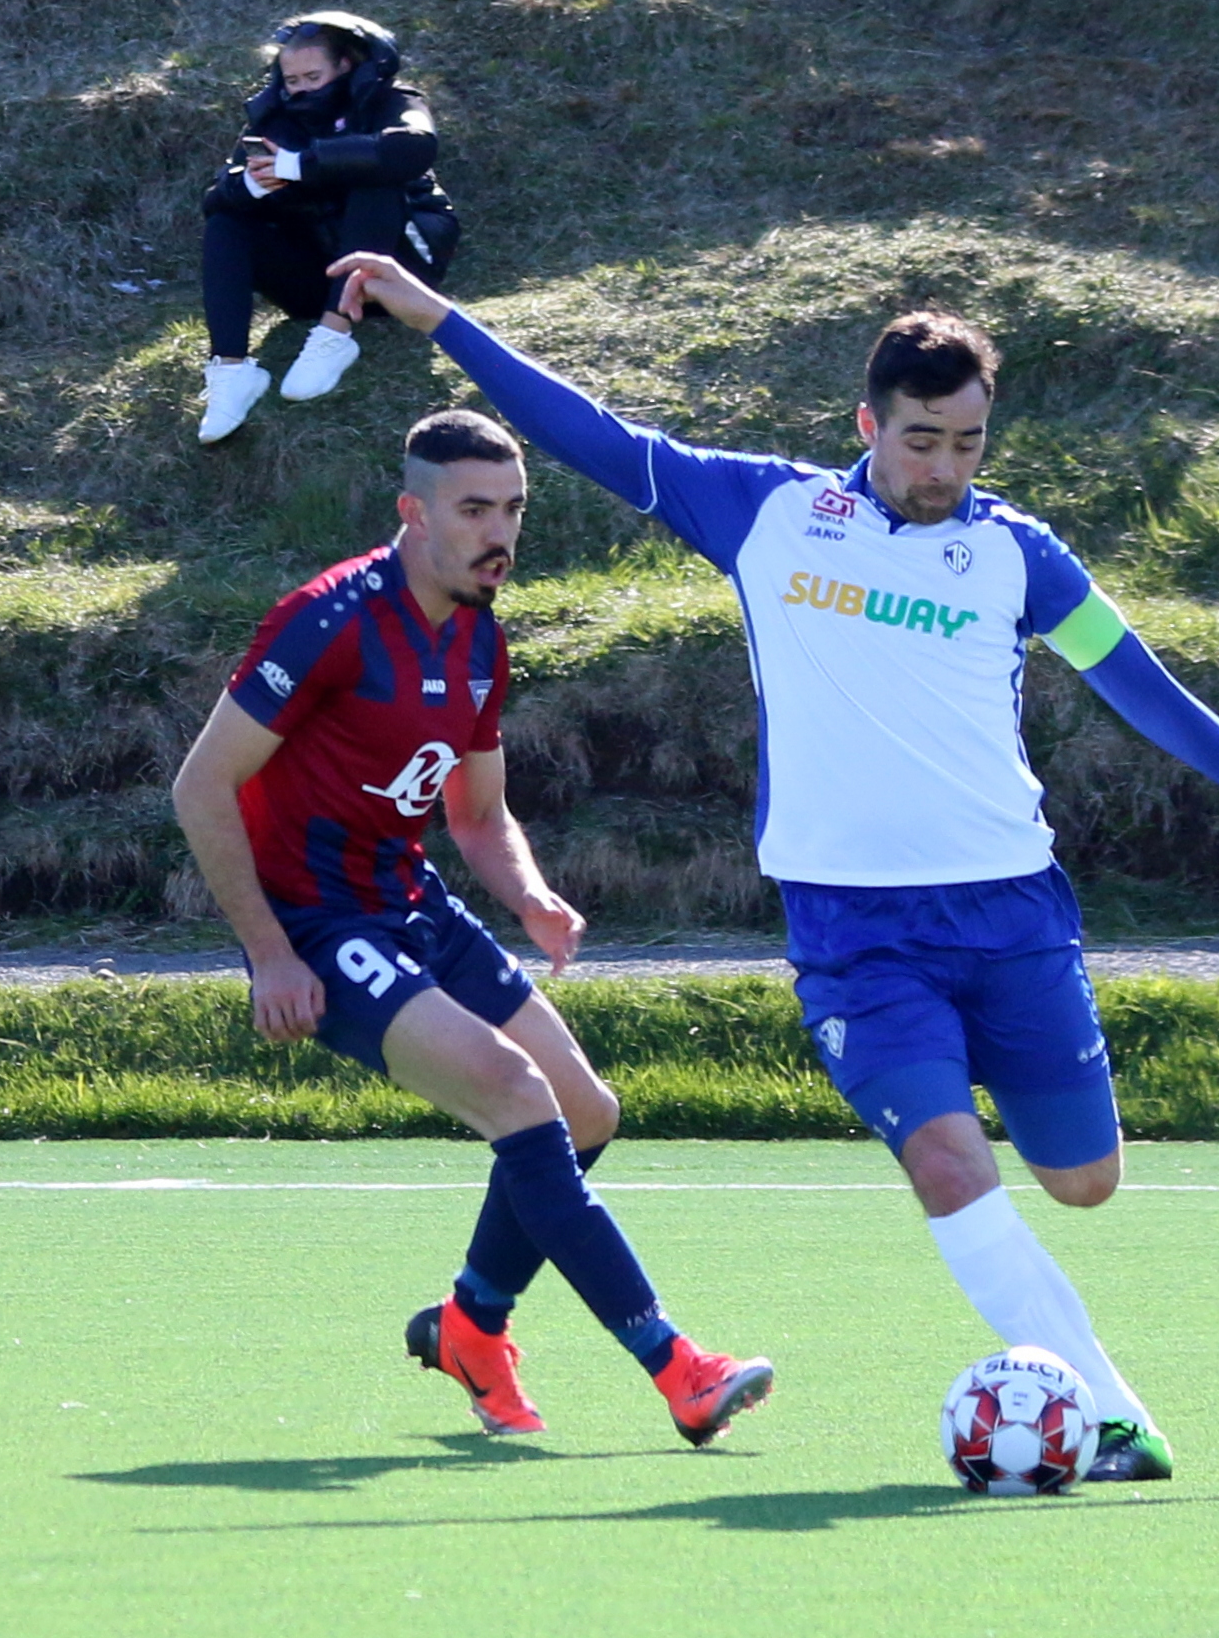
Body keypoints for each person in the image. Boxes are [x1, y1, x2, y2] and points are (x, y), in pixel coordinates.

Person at [332, 252, 1219, 1481]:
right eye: (921, 440)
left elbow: (1135, 680)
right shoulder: (770, 515)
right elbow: (592, 435)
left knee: (1084, 1180)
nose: (944, 468)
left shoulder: (1021, 554)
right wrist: (439, 318)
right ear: (868, 425)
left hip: (1013, 913)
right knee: (949, 1162)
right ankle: (1113, 1418)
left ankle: (482, 1311)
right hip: (856, 932)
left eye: (968, 444)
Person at [171, 409, 772, 1446]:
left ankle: (471, 1324)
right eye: (475, 510)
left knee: (586, 1112)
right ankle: (677, 1367)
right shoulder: (327, 620)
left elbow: (479, 816)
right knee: (516, 1091)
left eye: (514, 510)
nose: (500, 534)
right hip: (319, 923)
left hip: (411, 903)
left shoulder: (480, 633)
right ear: (413, 512)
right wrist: (270, 953)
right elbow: (200, 785)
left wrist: (529, 896)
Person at [196, 12, 459, 446]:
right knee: (227, 222)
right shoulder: (275, 119)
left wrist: (303, 164)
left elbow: (414, 147)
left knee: (372, 181)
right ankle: (231, 369)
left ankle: (334, 334)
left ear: (346, 65)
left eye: (313, 76)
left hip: (401, 273)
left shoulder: (393, 102)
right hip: (312, 280)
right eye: (292, 79)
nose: (302, 88)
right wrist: (253, 184)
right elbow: (214, 200)